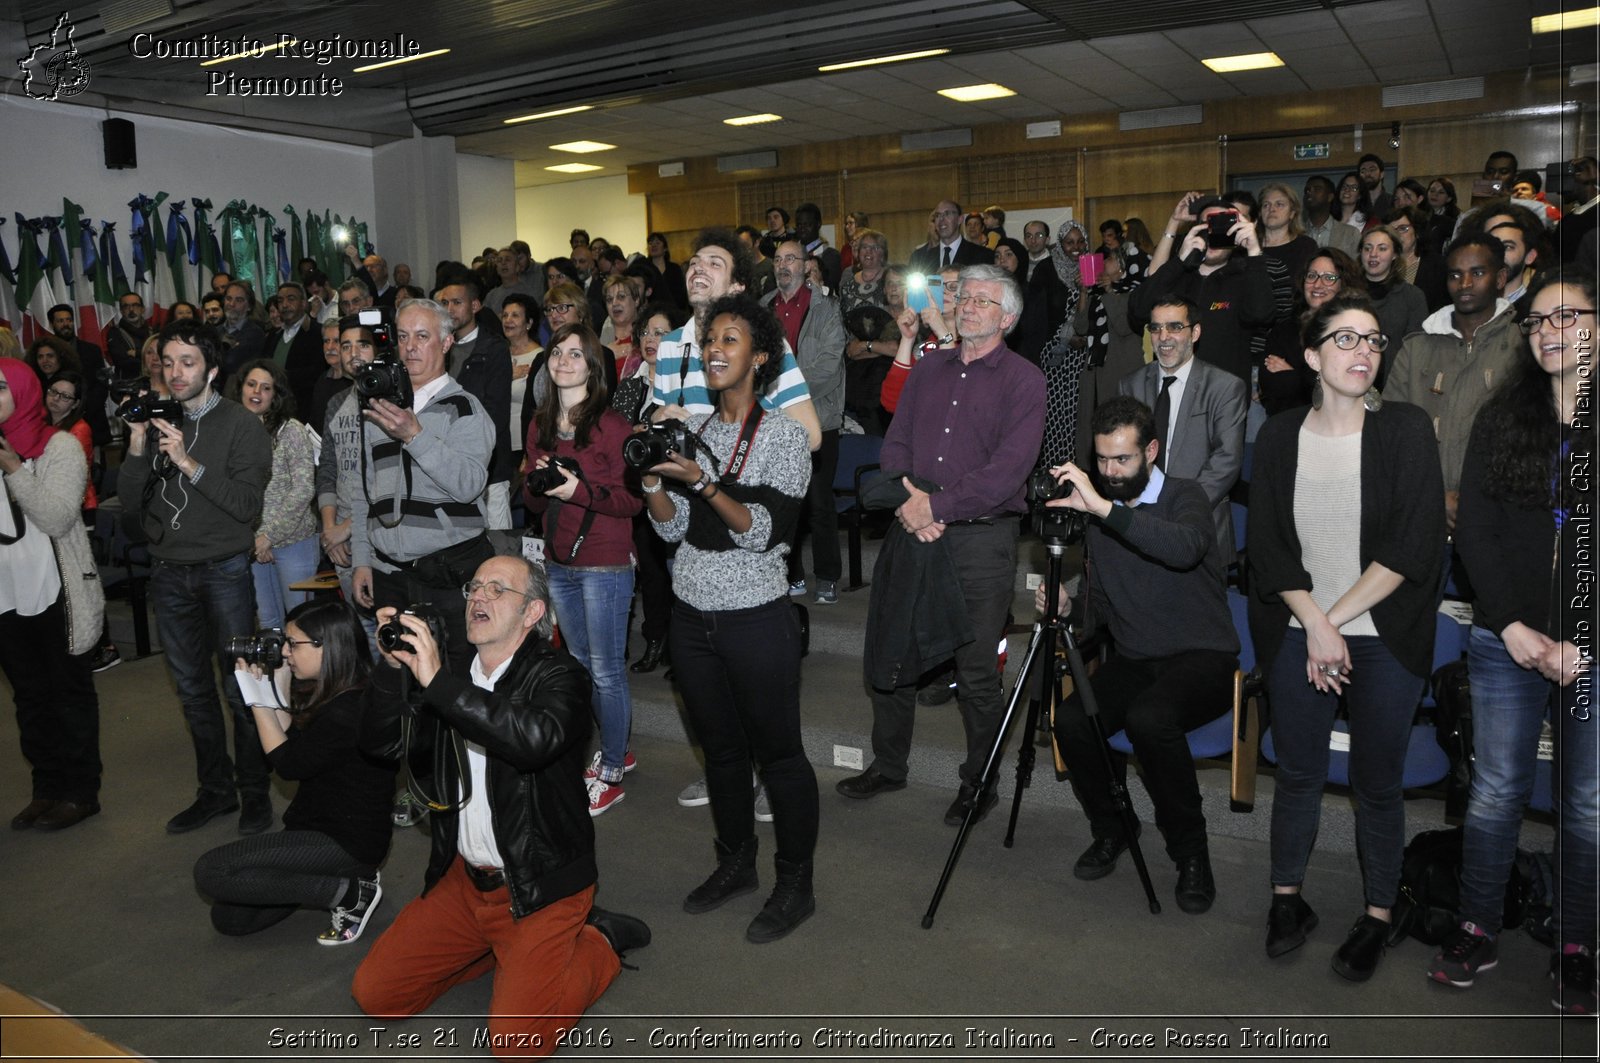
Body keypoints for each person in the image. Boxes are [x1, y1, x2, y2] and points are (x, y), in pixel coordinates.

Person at [352, 556, 649, 1056]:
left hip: (540, 884)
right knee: (378, 995)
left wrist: (438, 683)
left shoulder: (561, 676)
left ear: (532, 612)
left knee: (517, 1046)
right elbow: (380, 746)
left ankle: (596, 941)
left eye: (497, 589)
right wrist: (391, 670)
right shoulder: (444, 674)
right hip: (464, 881)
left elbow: (531, 739)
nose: (478, 597)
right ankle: (502, 952)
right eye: (474, 587)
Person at [1247, 293, 1444, 981]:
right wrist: (1315, 623)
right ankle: (1286, 899)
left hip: (1384, 634)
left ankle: (1379, 914)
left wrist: (1330, 624)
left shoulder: (1407, 430)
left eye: (1373, 340)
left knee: (1377, 782)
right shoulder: (1277, 436)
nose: (1364, 351)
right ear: (1311, 356)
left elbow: (1411, 546)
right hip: (1299, 628)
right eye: (1346, 339)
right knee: (1298, 772)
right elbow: (1267, 548)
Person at [1432, 268, 1596, 1014]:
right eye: (1536, 322)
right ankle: (1476, 925)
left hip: (1591, 651)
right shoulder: (1504, 417)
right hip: (1507, 640)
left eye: (1566, 316)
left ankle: (1576, 940)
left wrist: (1581, 641)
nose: (1549, 331)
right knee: (1495, 791)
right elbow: (1479, 533)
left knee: (1588, 803)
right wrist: (1513, 625)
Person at [836, 265, 1045, 824]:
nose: (968, 306)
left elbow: (1007, 473)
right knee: (892, 652)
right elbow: (895, 442)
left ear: (1008, 318)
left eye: (982, 300)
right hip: (913, 525)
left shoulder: (1026, 381)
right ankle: (888, 765)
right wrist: (914, 502)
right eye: (965, 298)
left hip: (981, 541)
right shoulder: (928, 370)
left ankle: (980, 783)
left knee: (976, 672)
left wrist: (936, 506)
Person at [641, 293, 817, 943]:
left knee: (780, 757)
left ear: (761, 356)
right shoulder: (696, 431)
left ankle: (796, 884)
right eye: (708, 339)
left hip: (755, 620)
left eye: (730, 339)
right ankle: (736, 863)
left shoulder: (784, 437)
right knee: (721, 753)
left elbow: (766, 533)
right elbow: (675, 531)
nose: (714, 349)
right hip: (692, 619)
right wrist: (657, 485)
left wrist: (704, 480)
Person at [1039, 395, 1238, 912]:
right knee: (1074, 721)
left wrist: (1105, 511)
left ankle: (1191, 852)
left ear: (1150, 450)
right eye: (1102, 460)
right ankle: (1114, 825)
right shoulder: (1102, 517)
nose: (1110, 472)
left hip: (1205, 657)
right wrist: (1069, 601)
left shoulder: (1184, 496)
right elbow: (1102, 608)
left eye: (1122, 459)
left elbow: (1184, 549)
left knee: (1151, 719)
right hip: (1136, 659)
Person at [118, 320, 275, 835]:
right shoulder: (158, 419)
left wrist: (187, 461)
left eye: (188, 362)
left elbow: (247, 507)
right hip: (168, 572)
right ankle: (215, 792)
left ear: (211, 368)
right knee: (191, 692)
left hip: (225, 570)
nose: (176, 372)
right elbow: (132, 518)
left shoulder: (241, 425)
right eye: (168, 362)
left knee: (238, 690)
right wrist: (139, 445)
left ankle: (255, 795)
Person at [191, 600, 396, 941]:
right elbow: (299, 744)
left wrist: (255, 699)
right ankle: (342, 883)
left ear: (326, 646)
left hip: (343, 841)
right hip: (319, 829)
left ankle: (349, 894)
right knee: (230, 918)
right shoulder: (343, 689)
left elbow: (288, 764)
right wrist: (276, 688)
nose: (284, 652)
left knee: (211, 871)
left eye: (293, 644)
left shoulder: (349, 709)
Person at [523, 324, 642, 816]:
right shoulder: (540, 423)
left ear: (594, 366)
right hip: (559, 559)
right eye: (558, 352)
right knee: (583, 666)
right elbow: (530, 498)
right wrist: (540, 482)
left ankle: (612, 769)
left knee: (608, 672)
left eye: (576, 354)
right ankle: (620, 747)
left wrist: (578, 491)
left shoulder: (613, 426)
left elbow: (634, 501)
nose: (564, 361)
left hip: (606, 562)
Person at [342, 299, 497, 676]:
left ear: (445, 344)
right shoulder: (377, 412)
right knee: (398, 685)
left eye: (423, 336)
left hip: (448, 576)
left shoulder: (465, 408)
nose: (410, 347)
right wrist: (363, 560)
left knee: (454, 683)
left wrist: (415, 435)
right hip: (390, 575)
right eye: (403, 337)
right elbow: (365, 495)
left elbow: (469, 485)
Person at [0, 357, 104, 832]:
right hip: (6, 593)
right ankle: (47, 788)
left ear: (22, 392)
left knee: (68, 693)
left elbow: (58, 518)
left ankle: (81, 792)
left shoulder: (59, 447)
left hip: (55, 590)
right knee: (29, 697)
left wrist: (13, 467)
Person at [1118, 296, 1247, 563]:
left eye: (1175, 327)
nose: (1163, 337)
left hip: (1200, 527)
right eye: (1155, 328)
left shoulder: (1225, 387)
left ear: (1195, 332)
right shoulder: (1130, 385)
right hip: (1139, 527)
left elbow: (1226, 461)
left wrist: (1178, 509)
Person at [763, 238, 849, 604]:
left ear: (804, 264)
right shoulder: (762, 309)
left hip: (819, 417)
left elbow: (828, 367)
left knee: (818, 501)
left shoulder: (826, 309)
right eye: (778, 259)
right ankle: (791, 573)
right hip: (772, 420)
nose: (783, 265)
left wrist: (782, 387)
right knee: (781, 501)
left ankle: (828, 575)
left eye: (791, 259)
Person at [615, 303, 688, 676]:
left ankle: (682, 646)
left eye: (660, 332)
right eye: (646, 332)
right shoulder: (631, 385)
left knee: (679, 570)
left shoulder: (687, 384)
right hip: (637, 489)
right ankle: (655, 638)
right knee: (652, 574)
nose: (650, 339)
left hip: (678, 491)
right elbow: (616, 437)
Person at [227, 359, 319, 634]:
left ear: (276, 395)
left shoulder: (292, 431)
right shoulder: (232, 431)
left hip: (294, 542)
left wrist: (268, 536)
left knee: (300, 626)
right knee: (268, 626)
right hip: (251, 543)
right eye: (251, 384)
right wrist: (255, 538)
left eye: (266, 388)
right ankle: (274, 679)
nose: (257, 392)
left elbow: (303, 489)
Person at [1259, 249, 1366, 416]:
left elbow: (1348, 390)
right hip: (1286, 426)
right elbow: (1270, 387)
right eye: (1311, 276)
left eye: (1329, 278)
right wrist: (1314, 379)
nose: (1317, 284)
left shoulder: (1356, 332)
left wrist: (1293, 377)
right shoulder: (1283, 330)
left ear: (1343, 284)